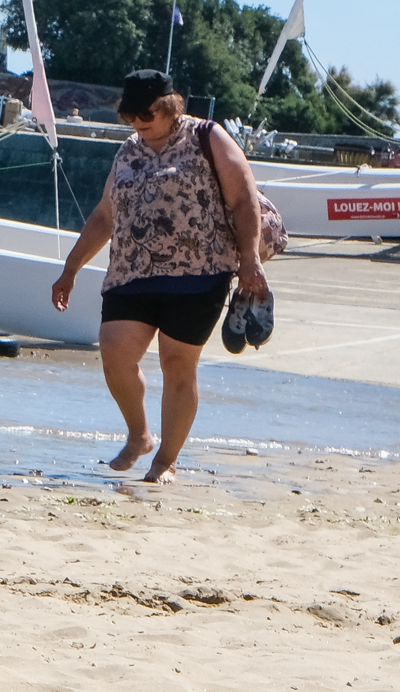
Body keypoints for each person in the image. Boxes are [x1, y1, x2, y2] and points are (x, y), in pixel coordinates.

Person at [51, 68, 275, 484]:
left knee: (177, 364)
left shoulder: (207, 136)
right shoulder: (128, 152)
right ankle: (139, 436)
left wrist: (249, 258)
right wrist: (71, 269)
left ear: (170, 105)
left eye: (147, 112)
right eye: (131, 114)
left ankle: (166, 461)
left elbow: (244, 199)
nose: (138, 121)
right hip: (132, 271)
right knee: (115, 351)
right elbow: (104, 215)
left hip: (199, 274)